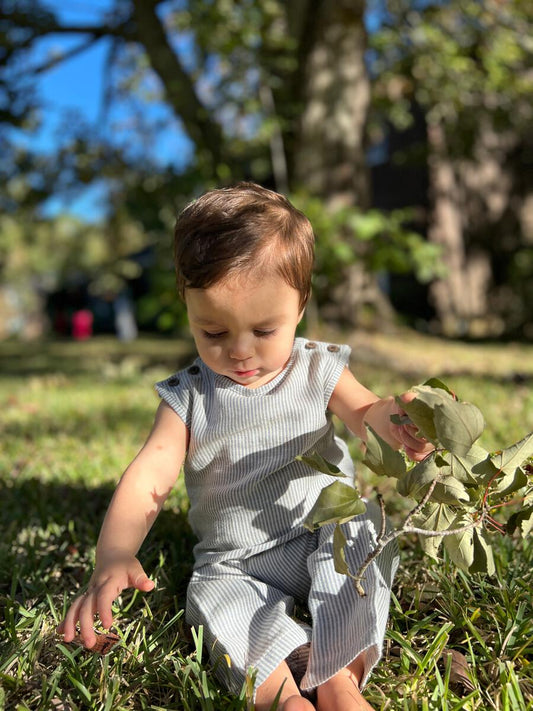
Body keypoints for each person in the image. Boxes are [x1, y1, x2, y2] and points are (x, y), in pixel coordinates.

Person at [58, 183, 432, 710]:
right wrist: (114, 554)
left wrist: (399, 418)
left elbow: (365, 412)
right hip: (237, 560)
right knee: (209, 597)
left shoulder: (316, 367)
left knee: (364, 528)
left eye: (264, 329)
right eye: (212, 331)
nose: (239, 351)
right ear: (187, 307)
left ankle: (339, 679)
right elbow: (149, 475)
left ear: (300, 307)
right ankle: (283, 696)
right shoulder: (190, 395)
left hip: (319, 530)